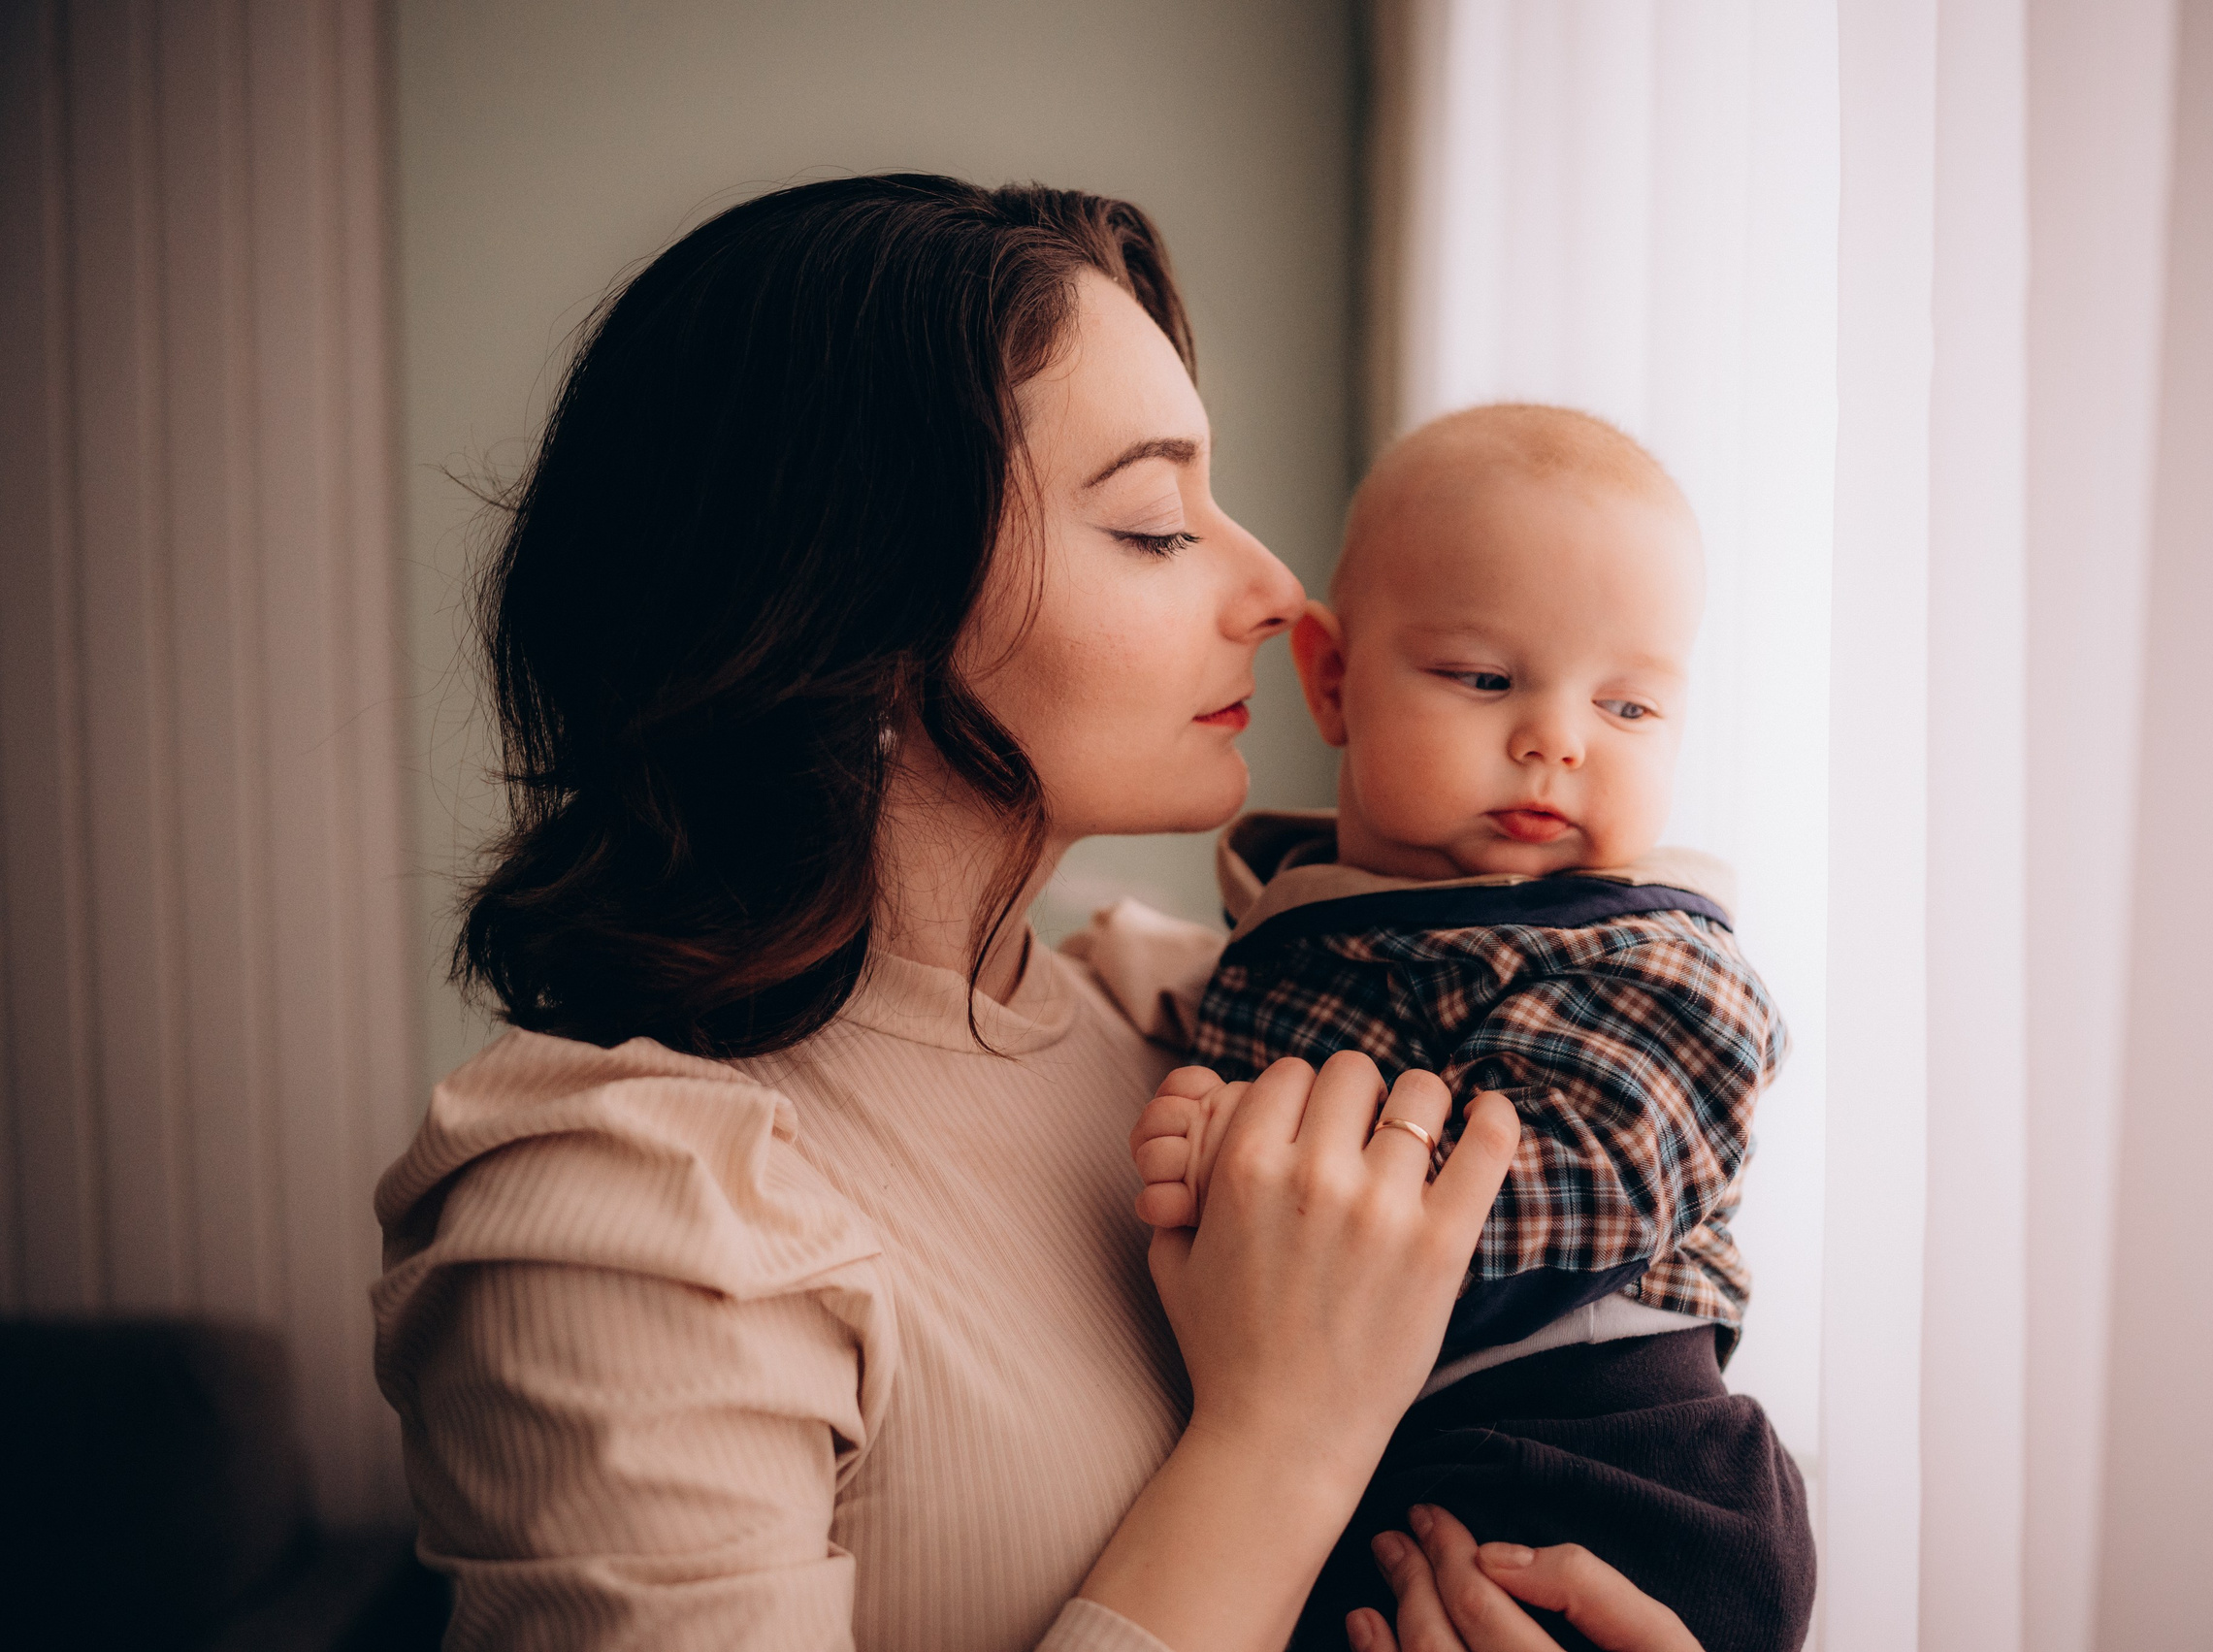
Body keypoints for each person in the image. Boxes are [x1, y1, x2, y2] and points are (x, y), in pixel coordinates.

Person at [368, 175, 1704, 1652]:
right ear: (850, 603)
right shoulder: (627, 1211)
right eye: (1151, 523)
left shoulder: (1193, 1022)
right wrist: (1283, 1437)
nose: (1273, 587)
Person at [1118, 407, 1812, 1652]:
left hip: (1613, 1461)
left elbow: (1562, 1189)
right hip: (1388, 1459)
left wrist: (1250, 1170)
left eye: (1629, 708)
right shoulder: (1303, 915)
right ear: (1331, 679)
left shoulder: (1651, 959)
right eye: (1485, 678)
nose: (1558, 737)